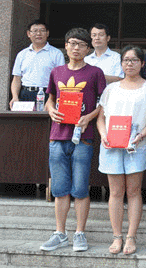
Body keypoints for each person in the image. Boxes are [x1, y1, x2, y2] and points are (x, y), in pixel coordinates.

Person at [40, 28, 106, 252]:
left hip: (83, 137)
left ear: (88, 49)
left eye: (81, 44)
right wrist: (51, 110)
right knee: (59, 188)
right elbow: (50, 98)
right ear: (66, 46)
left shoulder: (95, 73)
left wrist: (89, 117)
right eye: (72, 43)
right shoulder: (56, 71)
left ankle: (79, 233)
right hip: (57, 136)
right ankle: (60, 233)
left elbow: (104, 103)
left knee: (80, 188)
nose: (76, 48)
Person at [96, 45, 146, 255]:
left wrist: (141, 135)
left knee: (133, 191)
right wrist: (103, 135)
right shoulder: (111, 88)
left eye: (134, 60)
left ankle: (131, 236)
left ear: (142, 63)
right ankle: (117, 236)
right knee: (115, 192)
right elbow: (101, 118)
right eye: (126, 60)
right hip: (111, 145)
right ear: (121, 63)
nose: (129, 64)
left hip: (136, 145)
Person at [10, 20, 65, 109]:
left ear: (47, 33)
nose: (38, 34)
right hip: (26, 94)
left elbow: (60, 79)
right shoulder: (22, 54)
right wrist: (15, 97)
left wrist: (52, 99)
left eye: (42, 30)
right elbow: (16, 78)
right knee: (24, 118)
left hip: (47, 94)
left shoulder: (56, 53)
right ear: (28, 34)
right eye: (35, 31)